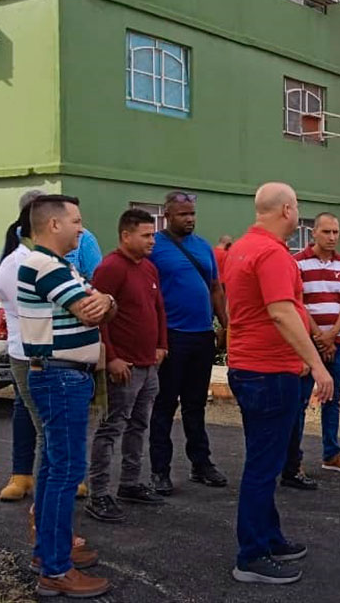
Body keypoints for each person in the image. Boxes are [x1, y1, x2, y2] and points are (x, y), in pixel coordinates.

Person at [223, 183, 334, 585]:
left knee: (264, 463)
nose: (297, 213)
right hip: (268, 373)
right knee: (262, 467)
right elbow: (283, 313)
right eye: (297, 207)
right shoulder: (271, 254)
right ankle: (251, 555)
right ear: (287, 209)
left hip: (254, 368)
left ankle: (268, 537)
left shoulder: (242, 248)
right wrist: (317, 366)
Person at [19, 195, 115, 597]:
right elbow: (91, 311)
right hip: (61, 378)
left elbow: (105, 305)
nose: (82, 228)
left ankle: (50, 553)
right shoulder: (44, 265)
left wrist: (107, 300)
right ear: (54, 225)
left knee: (53, 471)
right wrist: (104, 303)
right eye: (76, 221)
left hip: (64, 376)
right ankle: (56, 569)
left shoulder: (62, 267)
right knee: (65, 472)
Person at [85, 209, 169, 523]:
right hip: (124, 366)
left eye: (153, 235)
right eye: (146, 235)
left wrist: (162, 344)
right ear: (126, 235)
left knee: (139, 425)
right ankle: (99, 493)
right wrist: (112, 357)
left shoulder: (149, 268)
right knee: (111, 428)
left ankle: (130, 483)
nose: (152, 241)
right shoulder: (110, 267)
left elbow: (158, 308)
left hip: (149, 364)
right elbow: (99, 317)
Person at [148, 191, 229, 495]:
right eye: (183, 214)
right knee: (164, 405)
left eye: (192, 213)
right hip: (171, 337)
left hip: (201, 336)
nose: (190, 219)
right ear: (167, 214)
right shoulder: (156, 247)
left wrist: (225, 325)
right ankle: (160, 470)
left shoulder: (203, 247)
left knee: (196, 405)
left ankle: (201, 464)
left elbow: (216, 289)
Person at [281, 212, 340, 491]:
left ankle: (331, 453)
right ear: (313, 233)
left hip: (334, 343)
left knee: (333, 399)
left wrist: (331, 336)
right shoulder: (297, 263)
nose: (332, 237)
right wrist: (318, 336)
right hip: (307, 343)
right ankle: (294, 460)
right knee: (300, 402)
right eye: (326, 232)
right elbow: (297, 304)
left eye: (336, 232)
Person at [0, 189, 45, 503]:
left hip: (51, 346)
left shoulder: (79, 240)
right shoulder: (16, 253)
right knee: (31, 414)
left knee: (50, 419)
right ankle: (22, 474)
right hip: (26, 347)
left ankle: (67, 478)